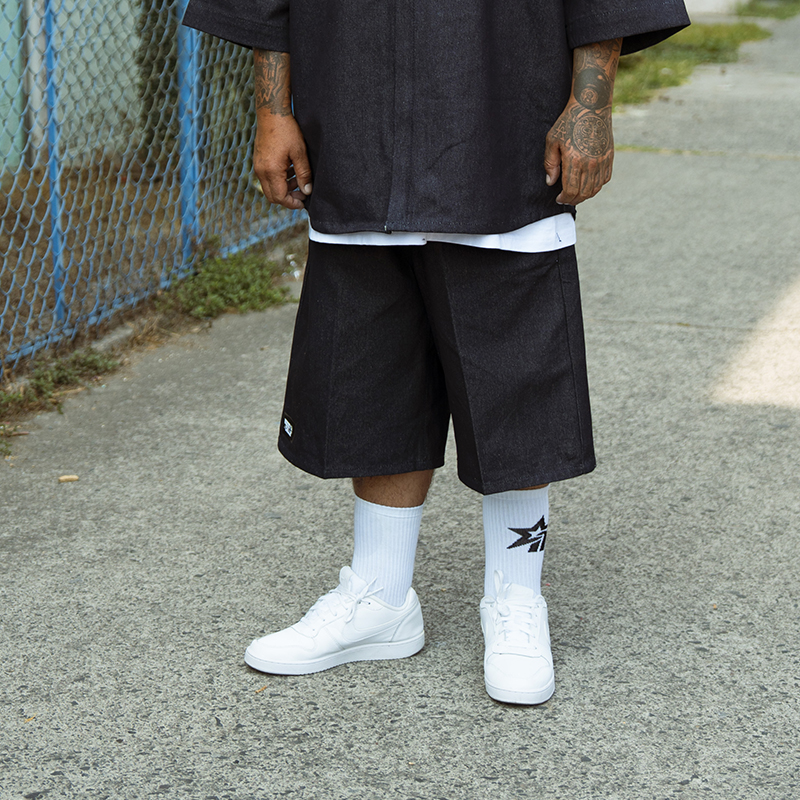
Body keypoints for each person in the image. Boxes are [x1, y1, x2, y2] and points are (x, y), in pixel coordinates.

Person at [182, 0, 689, 704]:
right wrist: (274, 111)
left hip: (501, 121)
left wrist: (590, 104)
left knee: (515, 377)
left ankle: (516, 597)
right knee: (371, 366)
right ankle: (380, 597)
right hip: (354, 118)